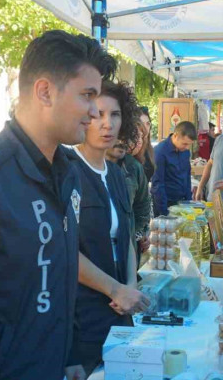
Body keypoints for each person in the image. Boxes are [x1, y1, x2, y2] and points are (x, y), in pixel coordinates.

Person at [0, 30, 116, 380]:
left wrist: (69, 355)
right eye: (87, 95)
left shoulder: (68, 172)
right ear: (44, 91)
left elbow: (60, 270)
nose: (94, 111)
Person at [69, 79, 150, 374]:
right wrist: (115, 289)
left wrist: (128, 286)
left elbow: (126, 236)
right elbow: (63, 249)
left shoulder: (116, 173)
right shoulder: (66, 170)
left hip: (119, 310)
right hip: (81, 315)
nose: (107, 124)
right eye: (99, 114)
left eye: (114, 115)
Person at [106, 141, 152, 266]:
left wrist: (135, 234)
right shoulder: (78, 167)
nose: (122, 141)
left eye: (126, 135)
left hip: (125, 254)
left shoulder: (133, 167)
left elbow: (142, 205)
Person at [151, 121, 196, 216]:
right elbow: (158, 184)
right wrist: (164, 212)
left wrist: (188, 202)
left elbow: (187, 175)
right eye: (184, 144)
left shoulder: (185, 151)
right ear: (175, 136)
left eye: (189, 144)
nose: (187, 147)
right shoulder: (160, 152)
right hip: (165, 204)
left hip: (183, 203)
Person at [131, 107, 156, 181]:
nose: (145, 127)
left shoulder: (149, 149)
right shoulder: (132, 148)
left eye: (148, 124)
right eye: (141, 123)